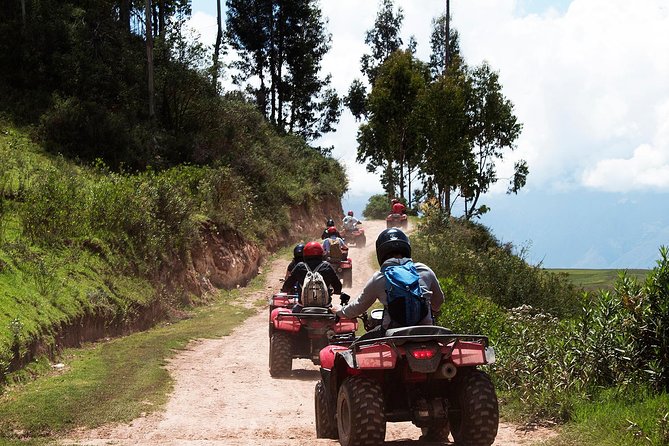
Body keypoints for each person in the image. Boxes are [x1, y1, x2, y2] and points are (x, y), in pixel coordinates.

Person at [330, 228, 444, 332]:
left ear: (381, 253)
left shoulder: (379, 278)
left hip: (394, 336)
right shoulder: (424, 270)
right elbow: (438, 301)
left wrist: (341, 311)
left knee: (359, 345)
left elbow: (358, 307)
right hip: (427, 333)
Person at [281, 241, 344, 310]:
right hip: (325, 307)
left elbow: (287, 286)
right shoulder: (327, 266)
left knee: (293, 315)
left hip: (302, 307)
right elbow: (338, 286)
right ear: (321, 254)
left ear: (304, 254)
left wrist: (285, 289)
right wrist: (336, 291)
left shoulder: (300, 266)